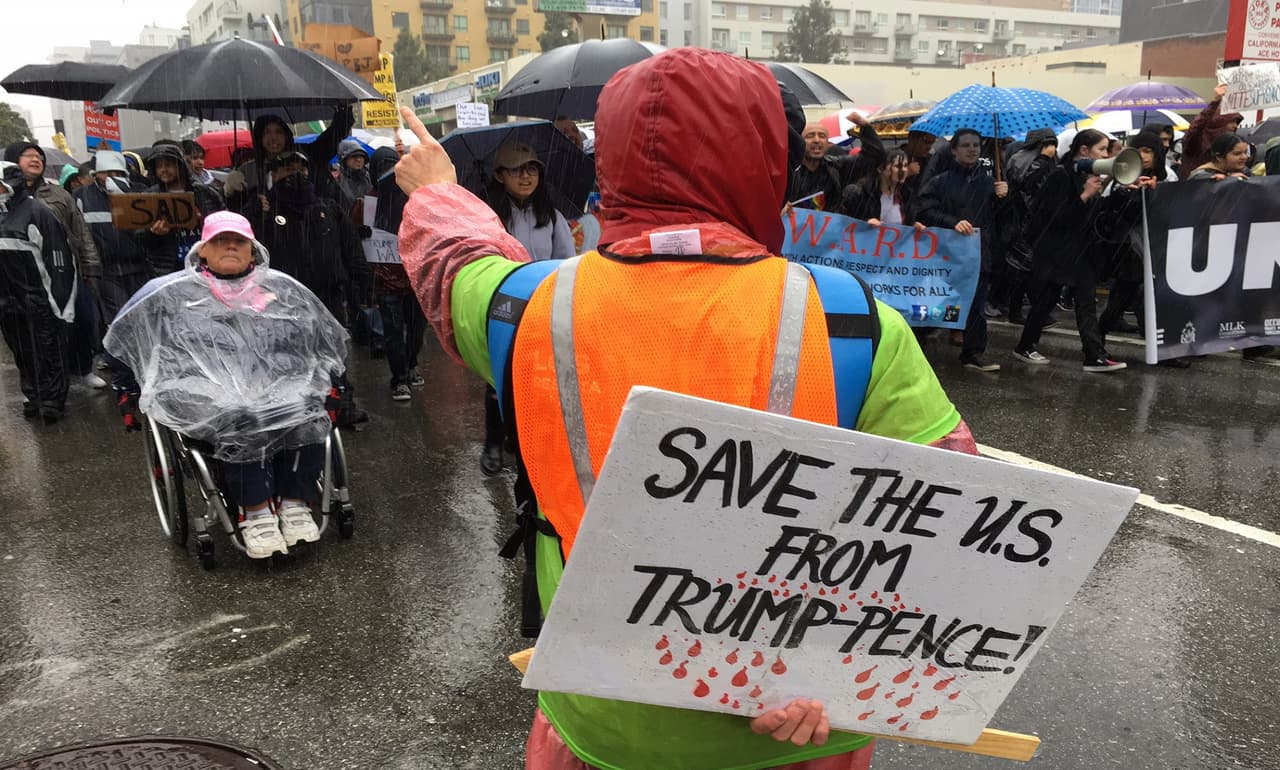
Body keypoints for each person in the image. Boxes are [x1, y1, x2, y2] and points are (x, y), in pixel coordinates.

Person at [393, 47, 978, 770]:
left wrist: (437, 188)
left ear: (611, 161)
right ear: (766, 157)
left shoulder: (525, 308)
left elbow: (454, 260)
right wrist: (850, 676)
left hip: (601, 716)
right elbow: (953, 539)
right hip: (800, 723)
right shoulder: (853, 318)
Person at [104, 212, 347, 558]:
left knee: (305, 406)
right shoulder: (168, 293)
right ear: (202, 250)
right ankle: (256, 511)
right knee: (241, 412)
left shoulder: (283, 290)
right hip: (199, 389)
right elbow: (123, 338)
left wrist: (330, 382)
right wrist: (128, 389)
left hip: (273, 383)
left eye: (239, 241)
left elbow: (324, 340)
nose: (230, 245)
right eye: (220, 240)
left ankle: (294, 502)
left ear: (253, 250)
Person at [477, 142, 576, 474]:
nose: (525, 177)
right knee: (499, 379)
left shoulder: (552, 215)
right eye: (517, 170)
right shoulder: (487, 217)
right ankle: (493, 441)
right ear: (499, 175)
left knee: (540, 378)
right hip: (504, 307)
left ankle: (531, 441)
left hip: (545, 308)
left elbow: (566, 259)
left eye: (531, 169)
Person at [1014, 129, 1125, 373]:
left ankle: (1094, 354)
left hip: (1079, 250)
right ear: (1084, 151)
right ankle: (1026, 345)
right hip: (1057, 251)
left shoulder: (1087, 175)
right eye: (1102, 149)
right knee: (1046, 302)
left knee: (1085, 302)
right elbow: (1055, 217)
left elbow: (1094, 216)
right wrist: (1084, 195)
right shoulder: (1061, 176)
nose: (1106, 154)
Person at [5, 142, 105, 389]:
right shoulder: (6, 199)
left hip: (66, 271)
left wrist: (90, 266)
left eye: (38, 155)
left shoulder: (58, 194)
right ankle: (45, 382)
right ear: (12, 163)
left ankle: (82, 368)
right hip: (23, 279)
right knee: (34, 334)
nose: (35, 159)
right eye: (27, 155)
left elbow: (80, 232)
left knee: (80, 319)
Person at [915, 128, 1010, 373]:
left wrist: (1004, 198)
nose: (972, 150)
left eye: (976, 145)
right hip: (947, 254)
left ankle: (973, 352)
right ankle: (917, 342)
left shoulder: (989, 182)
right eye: (966, 145)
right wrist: (951, 222)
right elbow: (924, 209)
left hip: (979, 252)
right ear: (954, 150)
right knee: (940, 300)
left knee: (977, 304)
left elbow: (1003, 220)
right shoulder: (941, 181)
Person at [242, 150, 370, 323]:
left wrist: (365, 288)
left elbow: (352, 248)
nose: (296, 174)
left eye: (301, 170)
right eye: (289, 169)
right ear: (274, 174)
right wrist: (254, 212)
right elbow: (247, 248)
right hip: (282, 302)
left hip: (329, 302)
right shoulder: (266, 211)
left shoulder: (329, 208)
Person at [0, 163, 76, 422]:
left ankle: (53, 400)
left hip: (39, 300)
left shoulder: (36, 212)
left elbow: (60, 260)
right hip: (7, 303)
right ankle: (34, 395)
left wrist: (62, 304)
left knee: (48, 351)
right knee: (22, 353)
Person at [363, 147, 427, 402]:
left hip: (414, 277)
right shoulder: (369, 201)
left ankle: (411, 364)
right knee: (392, 331)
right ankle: (399, 378)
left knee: (416, 329)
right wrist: (361, 233)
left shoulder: (415, 198)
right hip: (386, 279)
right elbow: (356, 235)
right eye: (382, 167)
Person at [75, 151, 151, 327]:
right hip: (107, 271)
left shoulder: (139, 191)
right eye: (107, 173)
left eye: (117, 173)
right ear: (95, 174)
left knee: (143, 315)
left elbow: (148, 230)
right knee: (121, 318)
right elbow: (80, 233)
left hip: (139, 266)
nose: (112, 177)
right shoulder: (82, 196)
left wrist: (125, 198)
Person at [224, 109, 354, 211]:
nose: (273, 138)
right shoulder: (248, 171)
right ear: (259, 138)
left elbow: (328, 141)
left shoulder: (305, 155)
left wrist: (342, 120)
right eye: (267, 132)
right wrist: (230, 192)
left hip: (310, 229)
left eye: (278, 132)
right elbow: (238, 210)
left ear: (287, 136)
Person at [140, 143, 226, 277]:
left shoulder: (205, 193)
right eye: (159, 166)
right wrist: (153, 233)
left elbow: (224, 224)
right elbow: (140, 238)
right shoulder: (149, 197)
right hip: (169, 269)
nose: (163, 169)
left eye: (168, 164)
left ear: (179, 165)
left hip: (206, 264)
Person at [788, 119, 885, 209]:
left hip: (829, 226)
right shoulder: (789, 170)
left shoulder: (837, 167)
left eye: (822, 136)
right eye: (810, 136)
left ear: (828, 143)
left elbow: (873, 157)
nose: (817, 140)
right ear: (800, 141)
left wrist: (866, 128)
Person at [838, 148, 918, 228]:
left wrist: (915, 227)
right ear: (880, 168)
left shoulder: (907, 195)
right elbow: (842, 222)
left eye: (905, 166)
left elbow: (908, 224)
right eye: (898, 166)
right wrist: (865, 223)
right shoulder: (859, 193)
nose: (903, 170)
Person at [1178, 84, 1243, 178]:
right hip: (1192, 188)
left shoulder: (1228, 146)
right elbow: (1196, 128)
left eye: (1237, 122)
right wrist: (1215, 102)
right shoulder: (1197, 143)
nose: (1235, 126)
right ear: (1218, 122)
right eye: (1231, 122)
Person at [1185, 133, 1250, 180]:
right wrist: (1228, 181)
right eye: (1237, 153)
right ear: (1219, 157)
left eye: (1245, 152)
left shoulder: (1245, 171)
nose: (1244, 157)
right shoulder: (1201, 177)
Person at [335, 139, 373, 216]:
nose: (358, 159)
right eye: (354, 156)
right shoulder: (336, 181)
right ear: (344, 160)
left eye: (361, 156)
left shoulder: (371, 178)